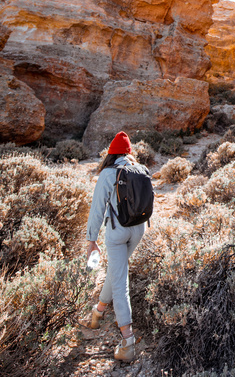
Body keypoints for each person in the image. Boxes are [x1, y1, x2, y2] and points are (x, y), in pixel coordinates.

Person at [82, 131, 147, 362]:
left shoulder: (108, 174)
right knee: (117, 270)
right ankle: (98, 311)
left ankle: (127, 343)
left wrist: (92, 241)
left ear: (110, 154)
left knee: (120, 281)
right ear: (129, 153)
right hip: (139, 230)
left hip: (117, 231)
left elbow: (97, 209)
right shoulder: (141, 170)